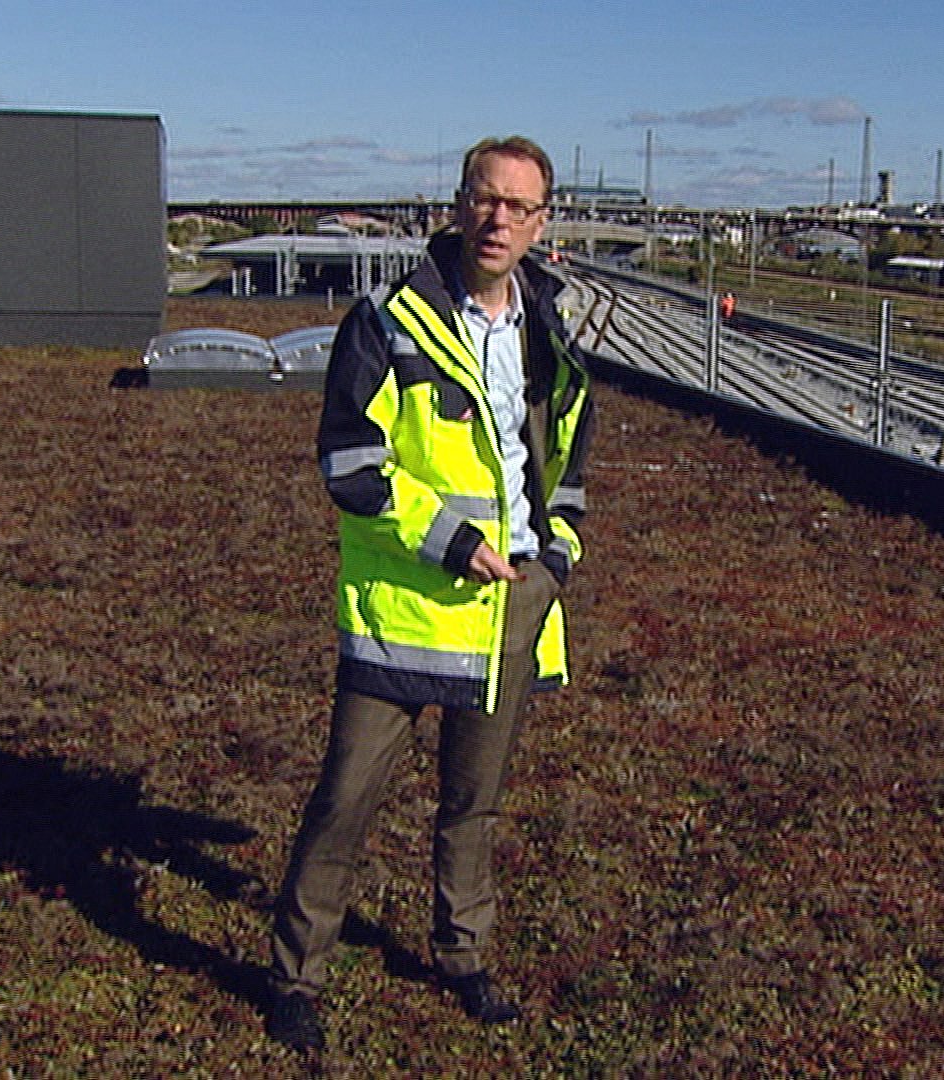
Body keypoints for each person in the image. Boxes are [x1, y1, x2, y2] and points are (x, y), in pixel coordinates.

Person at [264, 135, 593, 1053]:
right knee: (344, 802)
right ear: (456, 204)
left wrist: (555, 554)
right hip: (407, 614)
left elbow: (565, 454)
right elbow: (348, 461)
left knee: (473, 803)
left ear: (541, 223)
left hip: (509, 611)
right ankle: (296, 976)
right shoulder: (388, 322)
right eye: (485, 199)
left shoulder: (545, 328)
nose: (499, 220)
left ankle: (464, 955)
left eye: (519, 207)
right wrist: (450, 542)